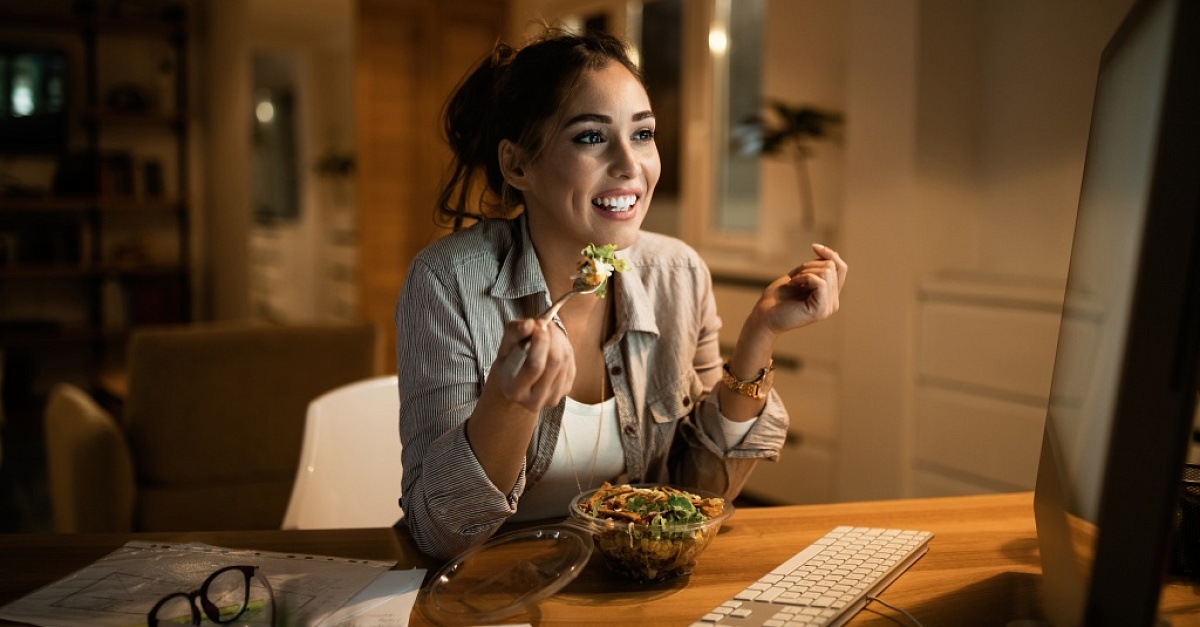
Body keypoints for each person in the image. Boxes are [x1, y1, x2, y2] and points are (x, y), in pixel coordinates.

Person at [395, 27, 847, 559]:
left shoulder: (677, 273)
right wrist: (510, 402)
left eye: (643, 134)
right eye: (591, 137)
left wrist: (759, 338)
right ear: (519, 165)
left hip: (627, 583)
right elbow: (439, 534)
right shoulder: (447, 282)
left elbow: (698, 499)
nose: (631, 166)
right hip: (485, 588)